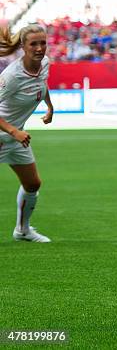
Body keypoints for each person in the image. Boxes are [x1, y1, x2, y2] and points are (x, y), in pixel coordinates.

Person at [0, 24, 54, 242]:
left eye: (43, 43)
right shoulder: (11, 76)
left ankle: (22, 230)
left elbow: (42, 85)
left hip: (15, 138)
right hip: (9, 134)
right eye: (34, 44)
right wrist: (13, 131)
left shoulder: (45, 64)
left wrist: (50, 106)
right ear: (23, 46)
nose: (40, 48)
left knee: (33, 184)